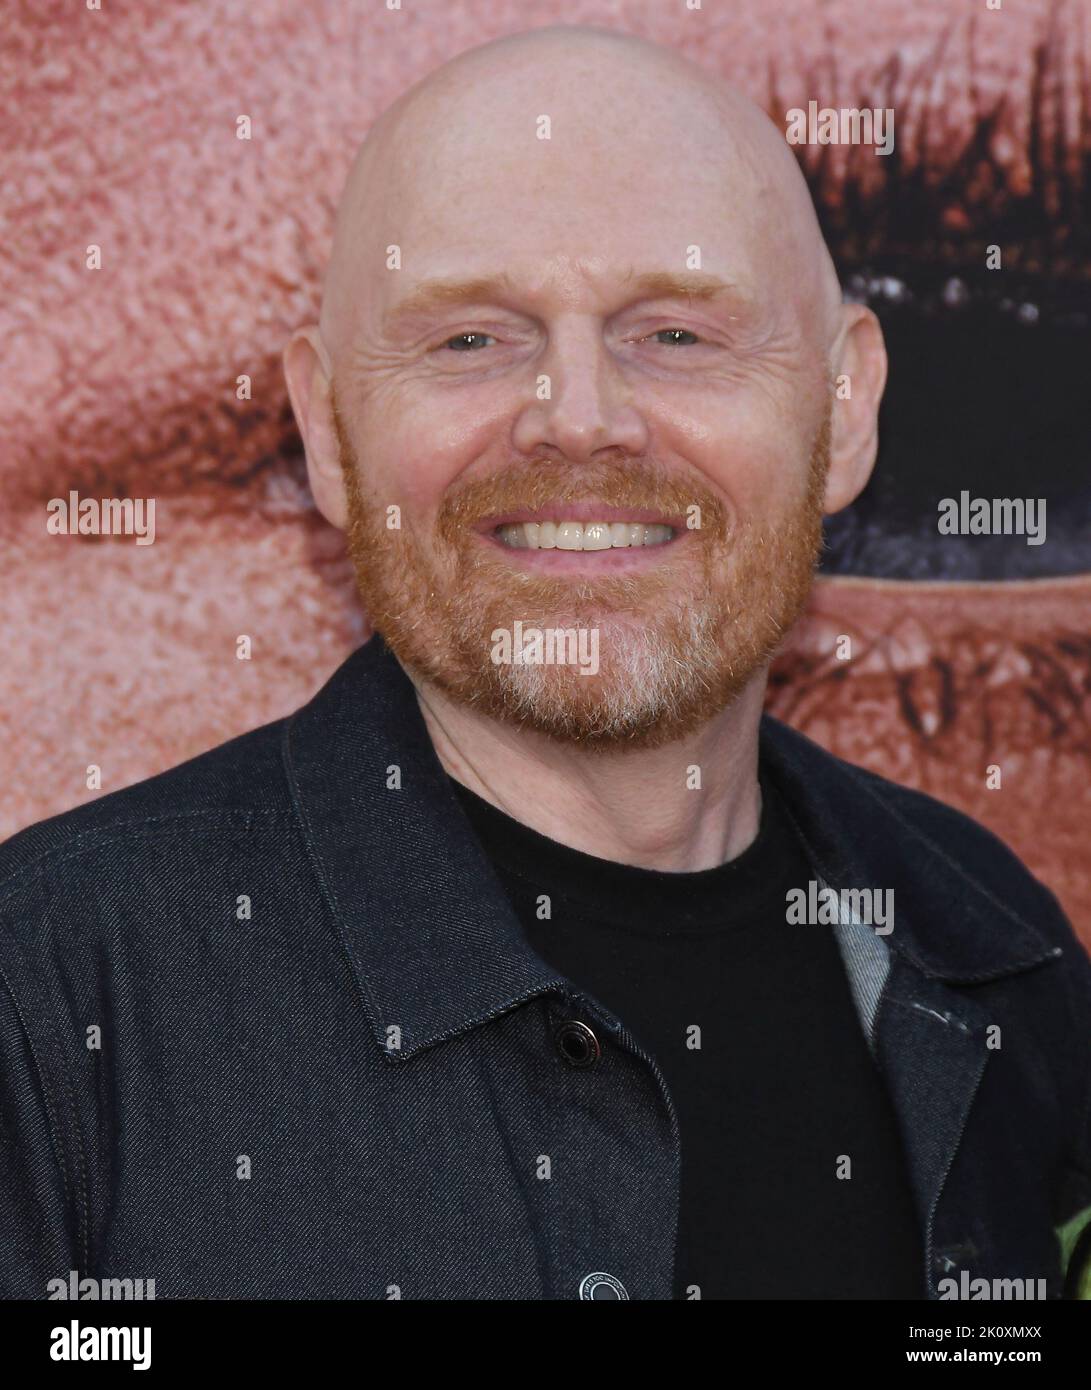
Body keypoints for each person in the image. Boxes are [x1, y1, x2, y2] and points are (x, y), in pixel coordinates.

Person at [2, 24, 1088, 1302]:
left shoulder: (998, 947)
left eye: (676, 333)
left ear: (844, 410)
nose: (577, 418)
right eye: (469, 339)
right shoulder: (49, 994)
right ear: (329, 434)